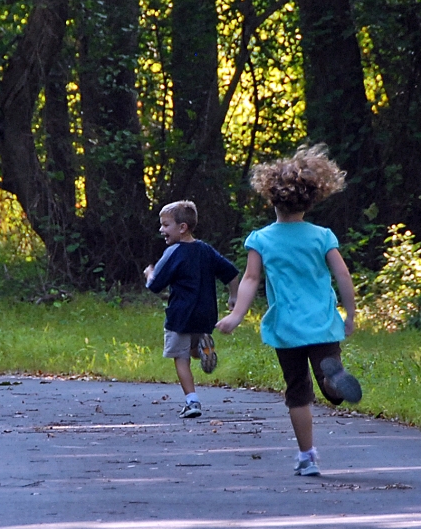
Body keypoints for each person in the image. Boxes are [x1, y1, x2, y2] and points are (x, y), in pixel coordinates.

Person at [215, 144, 362, 477]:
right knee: (329, 385)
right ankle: (333, 379)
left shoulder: (261, 239)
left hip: (287, 328)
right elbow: (342, 275)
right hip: (323, 324)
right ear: (312, 198)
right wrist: (350, 315)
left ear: (271, 197)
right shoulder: (322, 236)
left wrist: (236, 316)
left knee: (297, 391)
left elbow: (251, 279)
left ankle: (307, 457)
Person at [145, 200, 240, 419]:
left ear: (182, 227)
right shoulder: (206, 250)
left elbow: (154, 285)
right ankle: (203, 349)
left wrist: (149, 272)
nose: (161, 230)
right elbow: (232, 273)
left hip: (180, 315)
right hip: (205, 315)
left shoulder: (174, 252)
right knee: (192, 346)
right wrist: (233, 296)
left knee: (180, 357)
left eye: (166, 225)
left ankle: (192, 401)